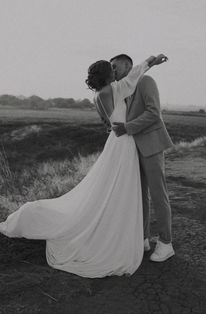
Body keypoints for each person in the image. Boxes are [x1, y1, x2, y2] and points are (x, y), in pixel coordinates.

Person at [0, 54, 168, 278]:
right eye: (112, 69)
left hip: (123, 141)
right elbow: (132, 79)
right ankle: (137, 237)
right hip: (124, 143)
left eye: (116, 67)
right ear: (107, 75)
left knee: (133, 190)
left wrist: (121, 126)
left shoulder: (100, 95)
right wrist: (150, 61)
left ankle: (159, 241)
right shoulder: (114, 89)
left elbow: (129, 114)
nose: (115, 71)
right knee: (127, 190)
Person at [110, 54, 174, 262]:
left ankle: (166, 243)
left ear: (128, 66)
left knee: (158, 195)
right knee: (140, 196)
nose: (112, 71)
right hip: (132, 149)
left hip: (152, 145)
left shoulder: (146, 81)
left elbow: (154, 113)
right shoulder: (123, 88)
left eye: (115, 67)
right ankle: (143, 238)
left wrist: (127, 127)